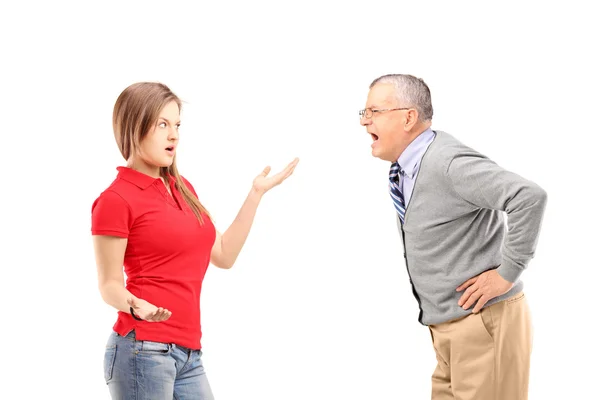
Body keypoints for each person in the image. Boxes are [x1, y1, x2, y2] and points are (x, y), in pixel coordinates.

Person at [91, 82, 298, 399]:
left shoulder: (181, 187)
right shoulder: (115, 199)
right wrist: (135, 305)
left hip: (189, 353)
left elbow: (224, 255)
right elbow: (109, 284)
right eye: (162, 124)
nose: (173, 135)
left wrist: (256, 194)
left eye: (176, 125)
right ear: (134, 125)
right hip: (142, 349)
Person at [359, 74, 547, 400]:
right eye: (363, 113)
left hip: (483, 325)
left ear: (408, 117)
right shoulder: (405, 169)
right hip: (448, 332)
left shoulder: (446, 163)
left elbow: (528, 197)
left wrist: (508, 272)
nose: (364, 122)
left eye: (373, 112)